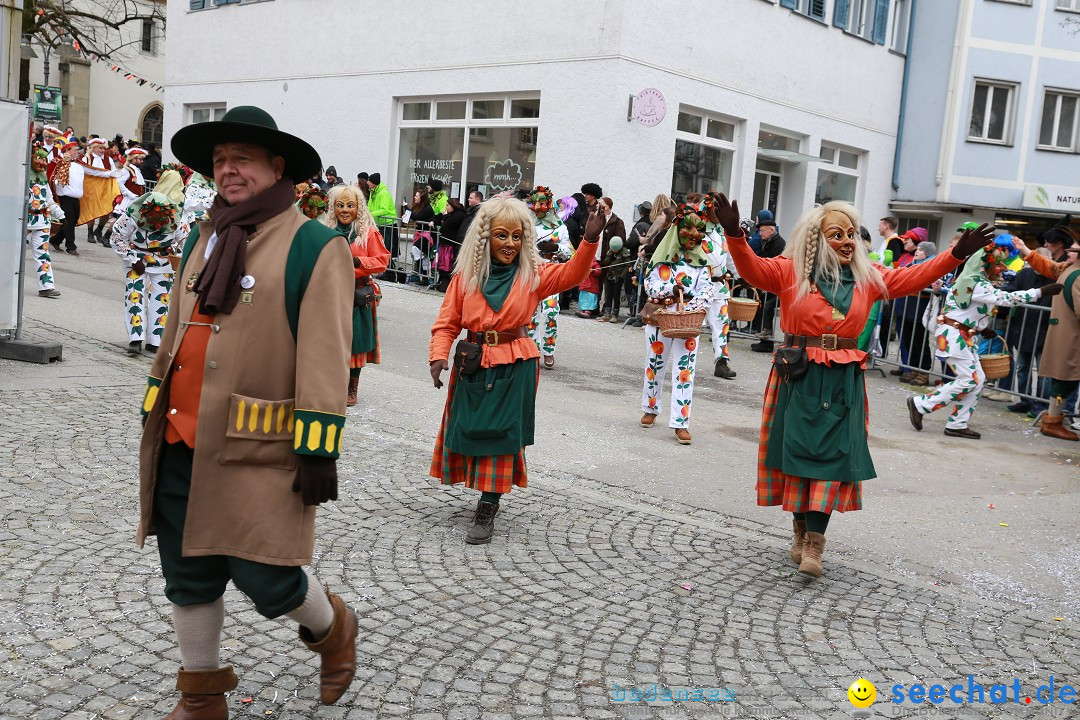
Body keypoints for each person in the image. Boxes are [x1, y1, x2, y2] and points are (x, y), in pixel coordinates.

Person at [139, 106, 358, 713]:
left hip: (258, 445)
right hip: (182, 439)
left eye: (241, 158)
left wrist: (319, 449)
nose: (227, 170)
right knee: (187, 575)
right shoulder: (202, 235)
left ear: (276, 166)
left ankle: (334, 628)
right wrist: (154, 409)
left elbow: (324, 355)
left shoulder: (315, 245)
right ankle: (202, 697)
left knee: (269, 577)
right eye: (218, 161)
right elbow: (176, 335)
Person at [715, 193, 987, 578]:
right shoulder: (791, 270)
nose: (847, 240)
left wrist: (956, 254)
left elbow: (914, 278)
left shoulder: (868, 277)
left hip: (843, 378)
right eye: (836, 234)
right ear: (816, 239)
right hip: (798, 374)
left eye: (850, 234)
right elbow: (754, 270)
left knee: (833, 457)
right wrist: (733, 234)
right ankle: (798, 528)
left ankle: (815, 542)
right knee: (796, 455)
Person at [428, 198, 604, 544]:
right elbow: (447, 322)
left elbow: (573, 274)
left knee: (501, 434)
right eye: (501, 236)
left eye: (517, 236)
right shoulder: (466, 277)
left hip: (516, 362)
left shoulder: (534, 275)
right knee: (473, 427)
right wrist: (438, 356)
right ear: (485, 238)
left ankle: (488, 505)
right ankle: (481, 493)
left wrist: (590, 240)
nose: (510, 244)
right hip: (473, 360)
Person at [907, 236, 1058, 440]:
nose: (1000, 268)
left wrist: (982, 327)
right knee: (969, 380)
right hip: (955, 337)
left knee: (977, 381)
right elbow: (1006, 299)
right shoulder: (977, 283)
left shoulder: (971, 279)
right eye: (996, 265)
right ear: (986, 264)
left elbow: (967, 309)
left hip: (961, 335)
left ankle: (957, 423)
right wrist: (1040, 292)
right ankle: (921, 404)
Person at [638, 206, 715, 445]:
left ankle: (681, 423)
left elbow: (707, 291)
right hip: (660, 320)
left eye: (699, 230)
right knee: (655, 364)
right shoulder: (661, 258)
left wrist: (690, 305)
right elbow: (649, 286)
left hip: (687, 323)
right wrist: (669, 292)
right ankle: (651, 408)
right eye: (689, 230)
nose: (695, 235)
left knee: (685, 371)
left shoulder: (701, 262)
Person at [322, 185, 390, 407]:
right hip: (331, 293)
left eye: (350, 205)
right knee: (331, 341)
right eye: (340, 205)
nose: (344, 210)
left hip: (357, 294)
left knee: (356, 342)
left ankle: (352, 388)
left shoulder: (368, 232)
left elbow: (382, 260)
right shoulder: (326, 229)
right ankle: (334, 384)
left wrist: (358, 262)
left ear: (358, 207)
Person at [110, 188, 181, 355]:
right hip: (137, 260)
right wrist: (132, 260)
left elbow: (183, 241)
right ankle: (135, 338)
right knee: (134, 296)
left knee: (162, 298)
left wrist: (180, 258)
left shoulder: (175, 219)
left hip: (164, 262)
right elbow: (118, 237)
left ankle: (155, 340)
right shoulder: (131, 216)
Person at [526, 186, 573, 368]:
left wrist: (555, 248)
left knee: (551, 312)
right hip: (530, 273)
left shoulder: (560, 227)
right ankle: (533, 350)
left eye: (543, 203)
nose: (539, 207)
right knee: (530, 314)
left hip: (552, 274)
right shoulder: (526, 223)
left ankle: (549, 350)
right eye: (536, 203)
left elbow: (569, 251)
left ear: (549, 204)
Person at [49, 137, 117, 255]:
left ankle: (55, 240)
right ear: (67, 151)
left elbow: (93, 171)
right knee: (69, 220)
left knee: (72, 220)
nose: (77, 152)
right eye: (74, 150)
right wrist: (58, 180)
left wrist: (110, 173)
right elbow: (51, 178)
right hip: (65, 197)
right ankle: (71, 247)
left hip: (76, 198)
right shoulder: (59, 163)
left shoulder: (79, 164)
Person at [698, 195, 738, 379]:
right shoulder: (696, 230)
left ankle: (721, 362)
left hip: (719, 285)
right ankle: (682, 359)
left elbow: (730, 259)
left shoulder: (722, 233)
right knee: (692, 323)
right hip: (699, 286)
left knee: (722, 324)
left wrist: (744, 275)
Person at [26, 146, 65, 298]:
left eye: (44, 159)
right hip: (23, 222)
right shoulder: (23, 177)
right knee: (14, 255)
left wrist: (61, 215)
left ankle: (46, 287)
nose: (42, 162)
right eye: (38, 158)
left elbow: (49, 200)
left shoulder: (43, 179)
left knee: (43, 255)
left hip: (42, 222)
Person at [749, 213, 786, 352]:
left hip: (777, 283)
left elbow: (774, 263)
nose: (760, 233)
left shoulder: (779, 243)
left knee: (768, 306)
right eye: (759, 231)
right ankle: (764, 339)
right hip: (769, 282)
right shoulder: (768, 241)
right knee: (763, 306)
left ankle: (767, 338)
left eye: (762, 231)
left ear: (771, 230)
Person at [597, 197, 628, 321]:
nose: (598, 206)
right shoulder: (596, 218)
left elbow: (621, 240)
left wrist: (613, 255)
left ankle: (608, 310)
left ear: (607, 206)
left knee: (610, 287)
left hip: (609, 258)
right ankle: (596, 308)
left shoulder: (617, 222)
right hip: (596, 256)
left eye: (601, 204)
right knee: (596, 284)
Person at [366, 172, 398, 270]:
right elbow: (370, 207)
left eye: (369, 181)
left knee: (386, 249)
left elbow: (384, 210)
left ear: (373, 182)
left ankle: (389, 271)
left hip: (388, 224)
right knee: (380, 249)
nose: (367, 183)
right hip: (379, 224)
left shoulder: (383, 193)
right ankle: (385, 269)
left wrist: (369, 214)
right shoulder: (373, 192)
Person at [436, 198, 466, 292]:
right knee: (442, 265)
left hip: (450, 244)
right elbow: (437, 219)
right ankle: (441, 282)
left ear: (453, 206)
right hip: (445, 243)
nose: (446, 207)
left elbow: (447, 225)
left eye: (448, 205)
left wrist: (445, 216)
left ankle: (446, 285)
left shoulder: (459, 215)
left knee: (447, 265)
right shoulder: (451, 214)